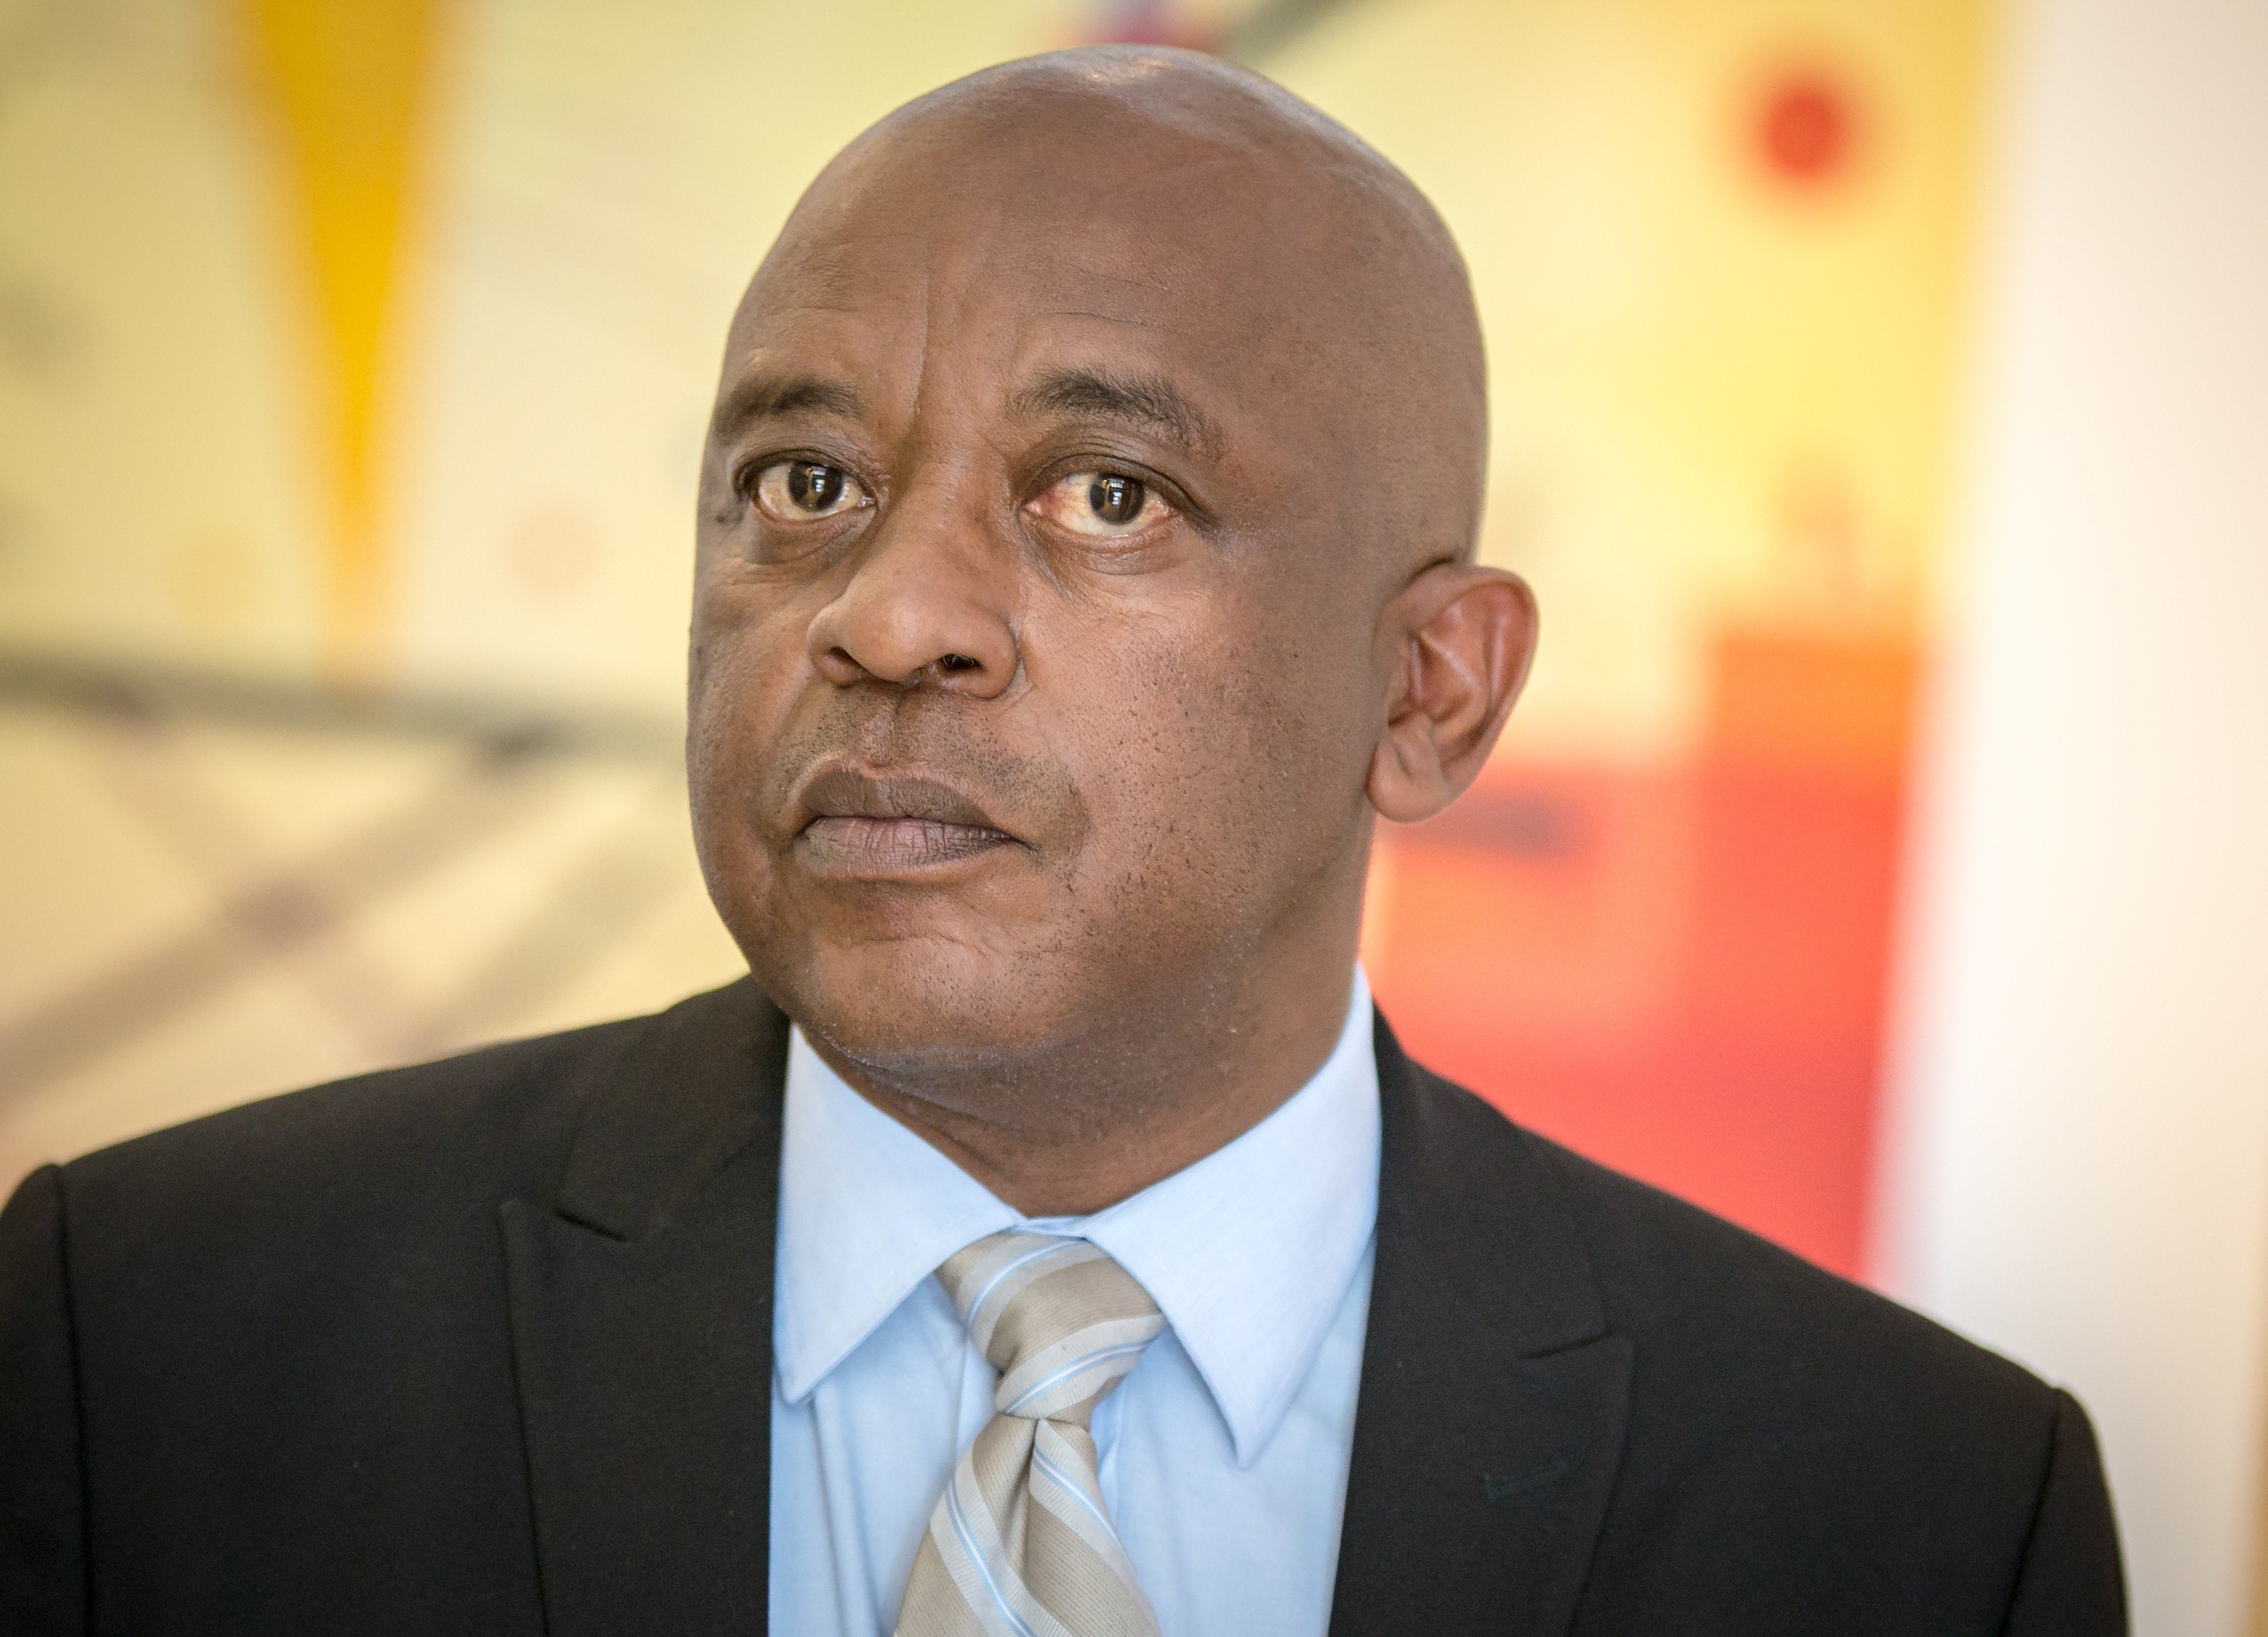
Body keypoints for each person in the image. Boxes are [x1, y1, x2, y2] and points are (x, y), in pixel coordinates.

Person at [0, 45, 2125, 1637]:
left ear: (1429, 695)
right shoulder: (156, 1345)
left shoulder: (1912, 1520)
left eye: (1109, 495)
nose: (888, 617)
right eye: (807, 484)